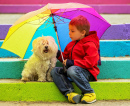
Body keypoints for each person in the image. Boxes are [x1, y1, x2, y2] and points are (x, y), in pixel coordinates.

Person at [51, 15, 100, 104]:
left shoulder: (90, 44)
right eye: (69, 30)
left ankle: (89, 93)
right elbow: (65, 59)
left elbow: (90, 62)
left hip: (87, 72)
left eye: (72, 31)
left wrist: (73, 62)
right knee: (55, 71)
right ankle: (70, 93)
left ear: (83, 32)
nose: (69, 33)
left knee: (72, 69)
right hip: (72, 70)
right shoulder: (70, 44)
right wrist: (57, 53)